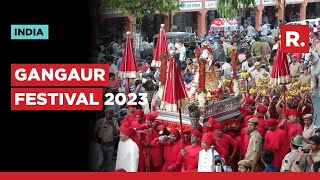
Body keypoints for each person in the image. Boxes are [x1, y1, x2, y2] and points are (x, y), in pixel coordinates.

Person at [94, 106, 120, 171]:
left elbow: (117, 134)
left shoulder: (115, 121)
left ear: (112, 114)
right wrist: (97, 143)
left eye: (110, 114)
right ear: (105, 114)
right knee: (100, 162)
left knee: (109, 163)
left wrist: (112, 125)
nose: (108, 115)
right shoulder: (100, 121)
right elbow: (95, 132)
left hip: (111, 145)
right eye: (107, 114)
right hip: (102, 145)